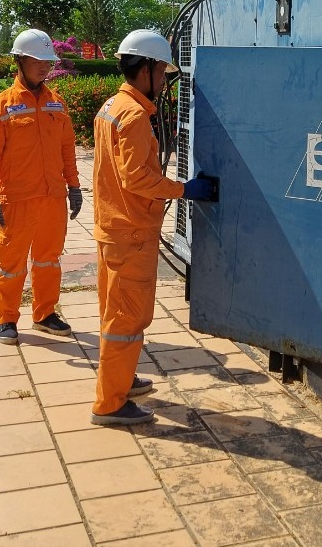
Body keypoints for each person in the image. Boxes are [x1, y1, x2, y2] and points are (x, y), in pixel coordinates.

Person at [90, 29, 214, 426]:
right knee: (127, 320)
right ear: (144, 69)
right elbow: (137, 178)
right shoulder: (133, 116)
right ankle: (110, 404)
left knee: (115, 313)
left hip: (112, 227)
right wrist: (184, 189)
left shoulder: (111, 106)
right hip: (130, 233)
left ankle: (119, 381)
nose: (163, 81)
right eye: (161, 72)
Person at [0, 28, 83, 345]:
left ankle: (45, 313)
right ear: (19, 60)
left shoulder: (57, 105)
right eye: (37, 60)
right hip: (16, 200)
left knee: (49, 260)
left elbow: (67, 149)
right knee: (11, 264)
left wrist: (74, 187)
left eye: (48, 61)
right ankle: (7, 318)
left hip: (52, 198)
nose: (44, 67)